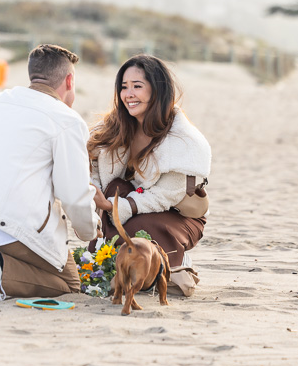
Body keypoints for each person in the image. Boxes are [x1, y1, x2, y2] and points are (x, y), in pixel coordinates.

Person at [0, 44, 100, 300]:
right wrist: (90, 231)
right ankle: (2, 271)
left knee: (54, 265)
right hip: (8, 222)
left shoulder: (0, 101)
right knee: (70, 284)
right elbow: (72, 194)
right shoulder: (67, 120)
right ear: (69, 80)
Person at [87, 54, 210, 294]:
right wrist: (96, 194)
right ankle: (121, 267)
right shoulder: (115, 127)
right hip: (126, 205)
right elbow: (92, 167)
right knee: (113, 192)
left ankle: (174, 263)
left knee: (141, 225)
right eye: (124, 87)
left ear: (157, 90)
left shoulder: (184, 140)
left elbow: (166, 196)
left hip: (175, 214)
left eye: (137, 86)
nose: (128, 94)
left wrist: (120, 207)